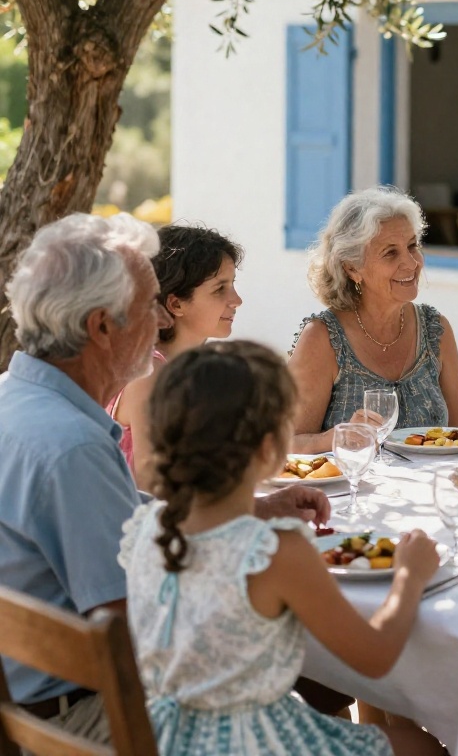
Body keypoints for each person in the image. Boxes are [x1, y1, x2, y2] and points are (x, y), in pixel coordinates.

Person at [0, 213, 329, 739]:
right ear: (101, 327)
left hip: (44, 699)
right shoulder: (72, 446)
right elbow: (140, 627)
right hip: (88, 717)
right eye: (147, 306)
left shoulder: (15, 399)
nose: (159, 320)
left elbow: (123, 514)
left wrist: (251, 510)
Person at [119, 341, 445, 756]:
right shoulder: (275, 550)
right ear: (270, 448)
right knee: (423, 746)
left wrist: (264, 507)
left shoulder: (148, 525)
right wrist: (410, 576)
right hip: (252, 743)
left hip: (163, 737)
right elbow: (376, 658)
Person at [289, 186, 458, 453]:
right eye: (390, 253)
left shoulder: (436, 330)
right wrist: (337, 437)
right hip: (352, 481)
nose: (411, 263)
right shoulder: (322, 338)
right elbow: (286, 445)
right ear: (352, 268)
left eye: (412, 246)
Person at [107, 224, 243, 491]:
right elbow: (156, 489)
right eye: (220, 289)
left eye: (233, 284)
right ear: (176, 304)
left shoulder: (198, 368)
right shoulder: (150, 375)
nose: (237, 300)